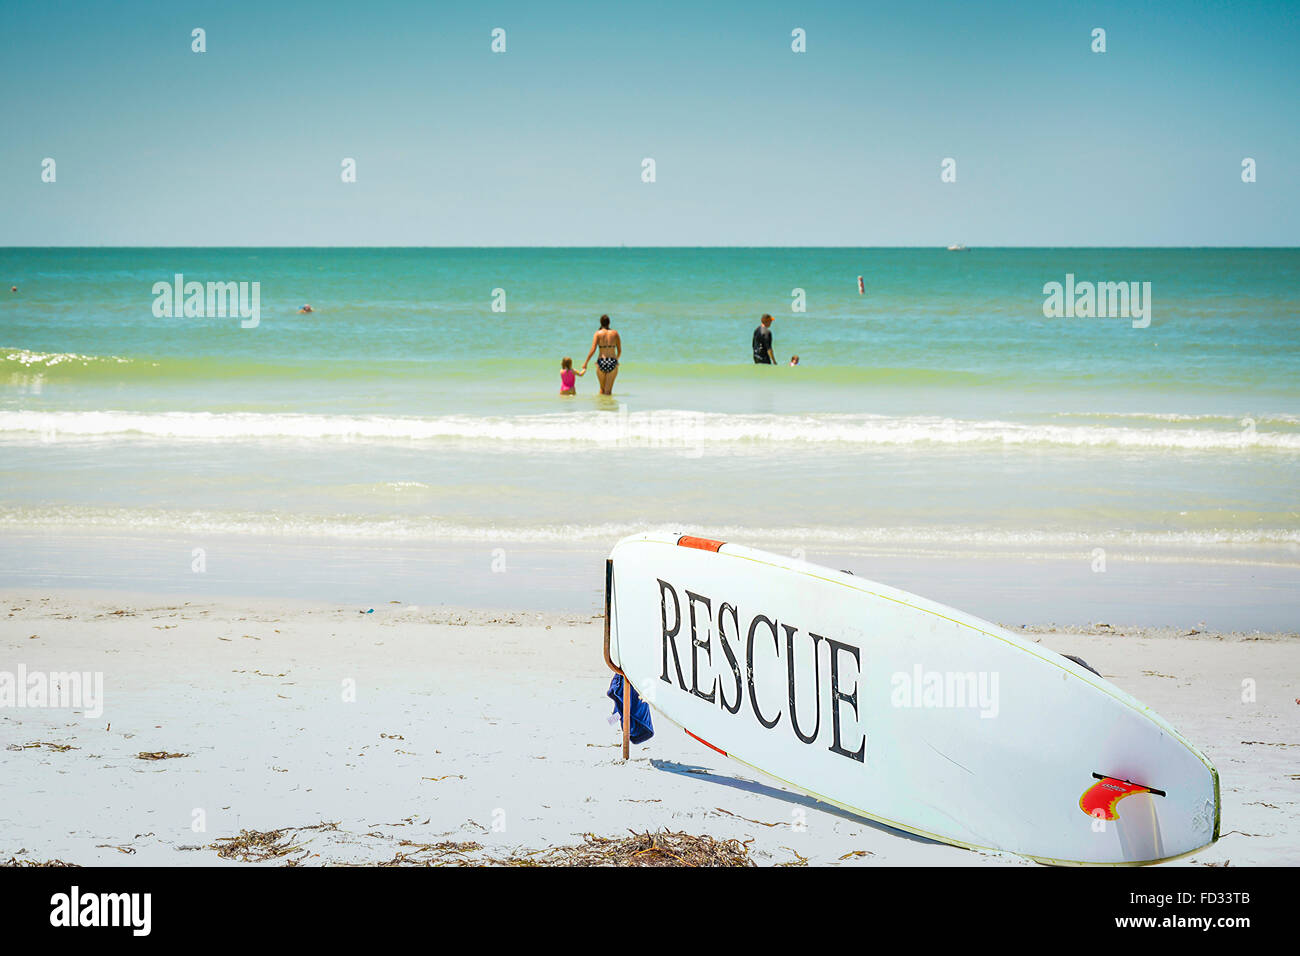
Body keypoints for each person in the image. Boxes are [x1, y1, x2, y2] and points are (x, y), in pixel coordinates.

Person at [582, 314, 621, 395]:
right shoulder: (615, 333)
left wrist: (586, 362)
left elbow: (593, 350)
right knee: (608, 391)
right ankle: (608, 407)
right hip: (612, 361)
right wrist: (616, 360)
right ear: (609, 323)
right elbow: (619, 351)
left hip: (601, 362)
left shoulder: (598, 333)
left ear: (601, 323)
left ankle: (600, 407)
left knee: (602, 389)